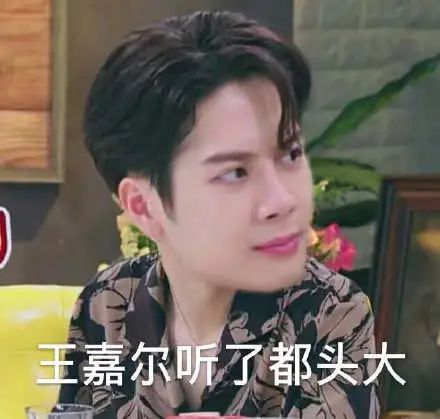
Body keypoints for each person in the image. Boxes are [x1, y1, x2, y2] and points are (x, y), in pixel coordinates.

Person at [57, 10, 380, 418]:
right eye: (235, 173)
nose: (281, 200)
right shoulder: (108, 302)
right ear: (143, 205)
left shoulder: (330, 309)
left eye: (291, 154)